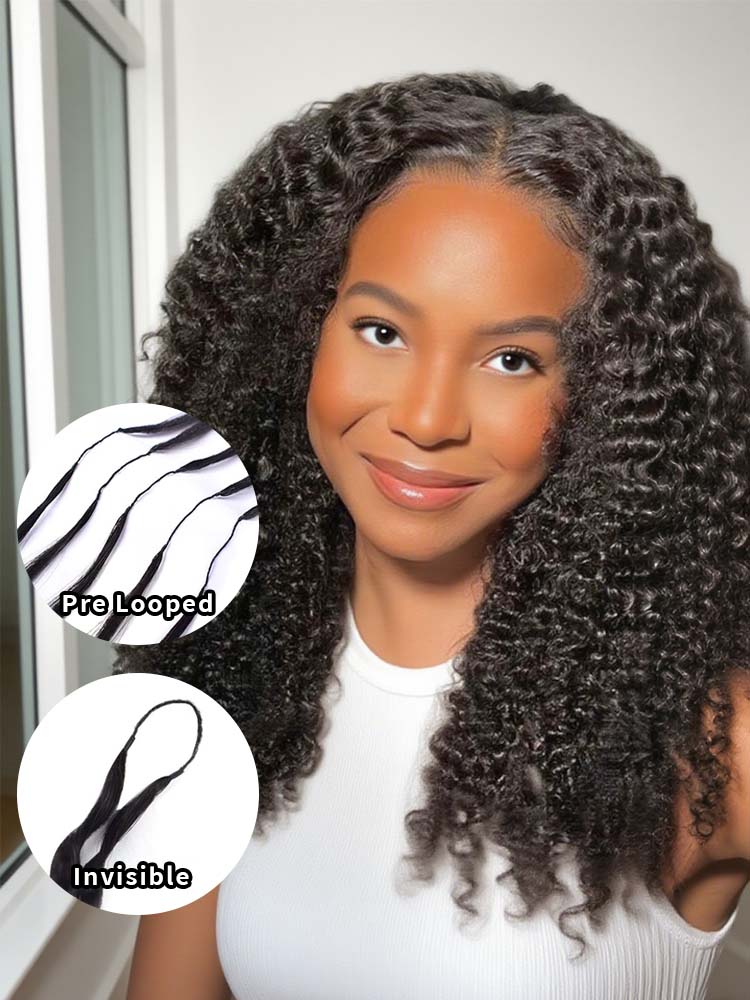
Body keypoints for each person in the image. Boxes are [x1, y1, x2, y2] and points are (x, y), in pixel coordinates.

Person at [122, 71, 750, 999]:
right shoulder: (229, 679)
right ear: (296, 334)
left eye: (512, 359)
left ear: (606, 396)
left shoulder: (710, 746)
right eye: (382, 332)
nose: (425, 419)